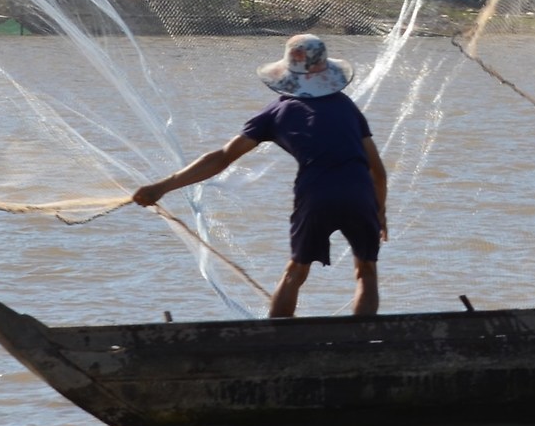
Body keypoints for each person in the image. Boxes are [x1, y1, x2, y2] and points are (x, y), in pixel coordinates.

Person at [130, 32, 389, 318]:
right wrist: (379, 212)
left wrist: (163, 187)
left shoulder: (278, 111)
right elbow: (377, 170)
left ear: (288, 74)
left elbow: (222, 157)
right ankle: (361, 341)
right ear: (326, 72)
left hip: (317, 193)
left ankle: (276, 342)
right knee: (366, 270)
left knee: (295, 272)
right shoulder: (347, 107)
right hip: (360, 191)